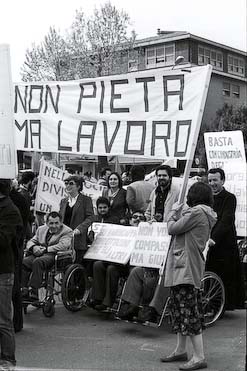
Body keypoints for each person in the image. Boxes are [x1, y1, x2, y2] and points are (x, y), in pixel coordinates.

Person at [160, 182, 217, 371]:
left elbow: (172, 228)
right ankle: (181, 350)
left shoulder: (197, 213)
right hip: (185, 265)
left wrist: (172, 213)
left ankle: (199, 356)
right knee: (180, 311)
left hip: (185, 268)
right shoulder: (202, 212)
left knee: (189, 313)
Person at [206, 168, 245, 310]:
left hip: (224, 243)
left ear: (222, 180)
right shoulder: (207, 197)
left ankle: (223, 306)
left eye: (215, 180)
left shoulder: (230, 197)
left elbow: (226, 220)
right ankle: (212, 304)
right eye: (210, 180)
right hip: (208, 241)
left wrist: (213, 238)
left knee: (225, 275)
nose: (212, 183)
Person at [22, 211, 73, 301]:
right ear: (47, 223)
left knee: (38, 262)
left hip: (55, 255)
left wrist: (46, 249)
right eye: (51, 223)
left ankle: (33, 290)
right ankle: (24, 289)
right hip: (39, 253)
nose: (54, 226)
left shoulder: (67, 231)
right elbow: (32, 241)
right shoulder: (41, 229)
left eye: (56, 223)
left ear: (61, 222)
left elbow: (63, 246)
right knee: (24, 262)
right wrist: (34, 247)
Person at [0, 179, 23, 369]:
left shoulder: (9, 210)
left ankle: (8, 359)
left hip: (3, 271)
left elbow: (2, 241)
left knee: (3, 319)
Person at [90, 198, 127, 311]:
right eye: (100, 208)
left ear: (108, 208)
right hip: (103, 255)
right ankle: (98, 298)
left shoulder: (115, 219)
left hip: (116, 258)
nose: (102, 210)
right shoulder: (95, 220)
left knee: (111, 269)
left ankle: (108, 302)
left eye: (104, 207)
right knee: (97, 265)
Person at [59, 175, 94, 264]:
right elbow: (60, 218)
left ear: (78, 186)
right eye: (66, 183)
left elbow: (90, 217)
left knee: (77, 264)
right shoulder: (63, 201)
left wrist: (79, 229)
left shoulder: (86, 200)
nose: (68, 186)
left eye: (71, 184)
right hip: (65, 238)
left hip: (78, 238)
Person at [10, 181, 30, 333]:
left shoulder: (15, 200)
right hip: (17, 243)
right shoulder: (19, 198)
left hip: (14, 245)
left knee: (14, 285)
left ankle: (16, 322)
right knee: (14, 285)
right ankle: (17, 322)